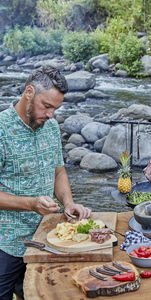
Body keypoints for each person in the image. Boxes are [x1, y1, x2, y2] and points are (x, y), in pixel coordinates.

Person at [0, 66, 91, 300]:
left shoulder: (50, 127)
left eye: (56, 108)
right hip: (7, 243)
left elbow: (58, 172)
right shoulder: (1, 129)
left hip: (47, 239)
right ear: (29, 92)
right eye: (47, 106)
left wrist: (68, 203)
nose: (51, 115)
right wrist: (31, 203)